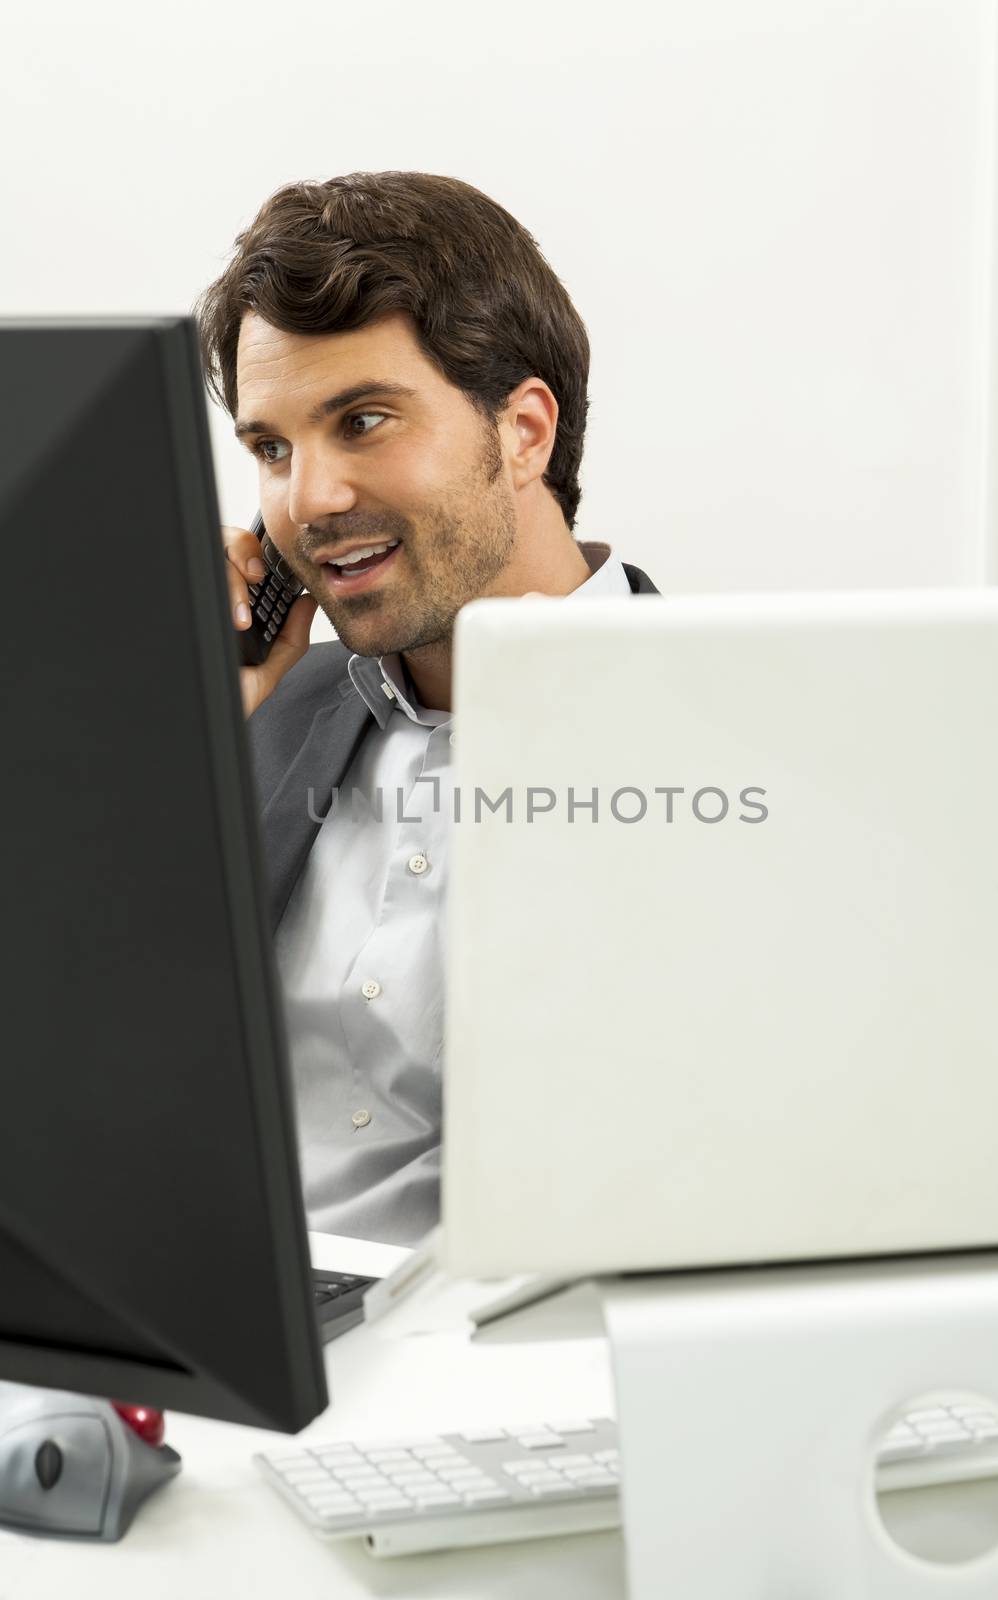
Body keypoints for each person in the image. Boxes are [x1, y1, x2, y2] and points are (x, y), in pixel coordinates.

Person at [193, 171, 660, 1245]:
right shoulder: (261, 714)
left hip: (506, 1364)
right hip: (215, 1329)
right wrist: (192, 733)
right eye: (272, 447)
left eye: (362, 420)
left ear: (524, 432)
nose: (308, 499)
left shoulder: (736, 737)